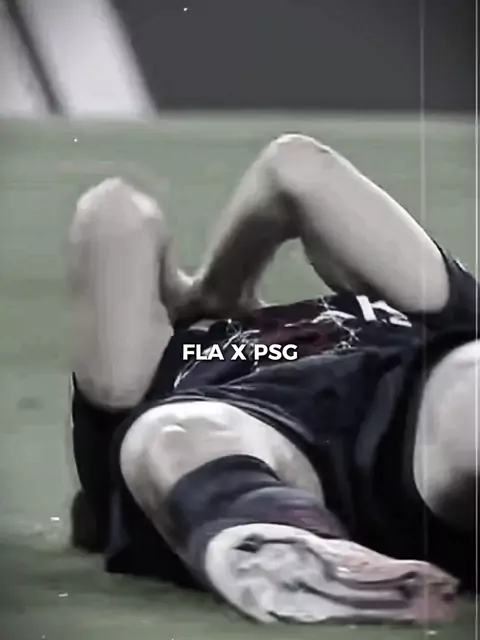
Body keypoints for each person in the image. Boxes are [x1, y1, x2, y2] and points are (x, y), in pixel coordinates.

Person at [69, 134, 477, 625]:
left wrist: (218, 289)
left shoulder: (418, 312)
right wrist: (198, 309)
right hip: (267, 447)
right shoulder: (161, 376)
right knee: (176, 435)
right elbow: (112, 217)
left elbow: (295, 168)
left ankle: (283, 543)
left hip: (412, 411)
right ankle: (294, 551)